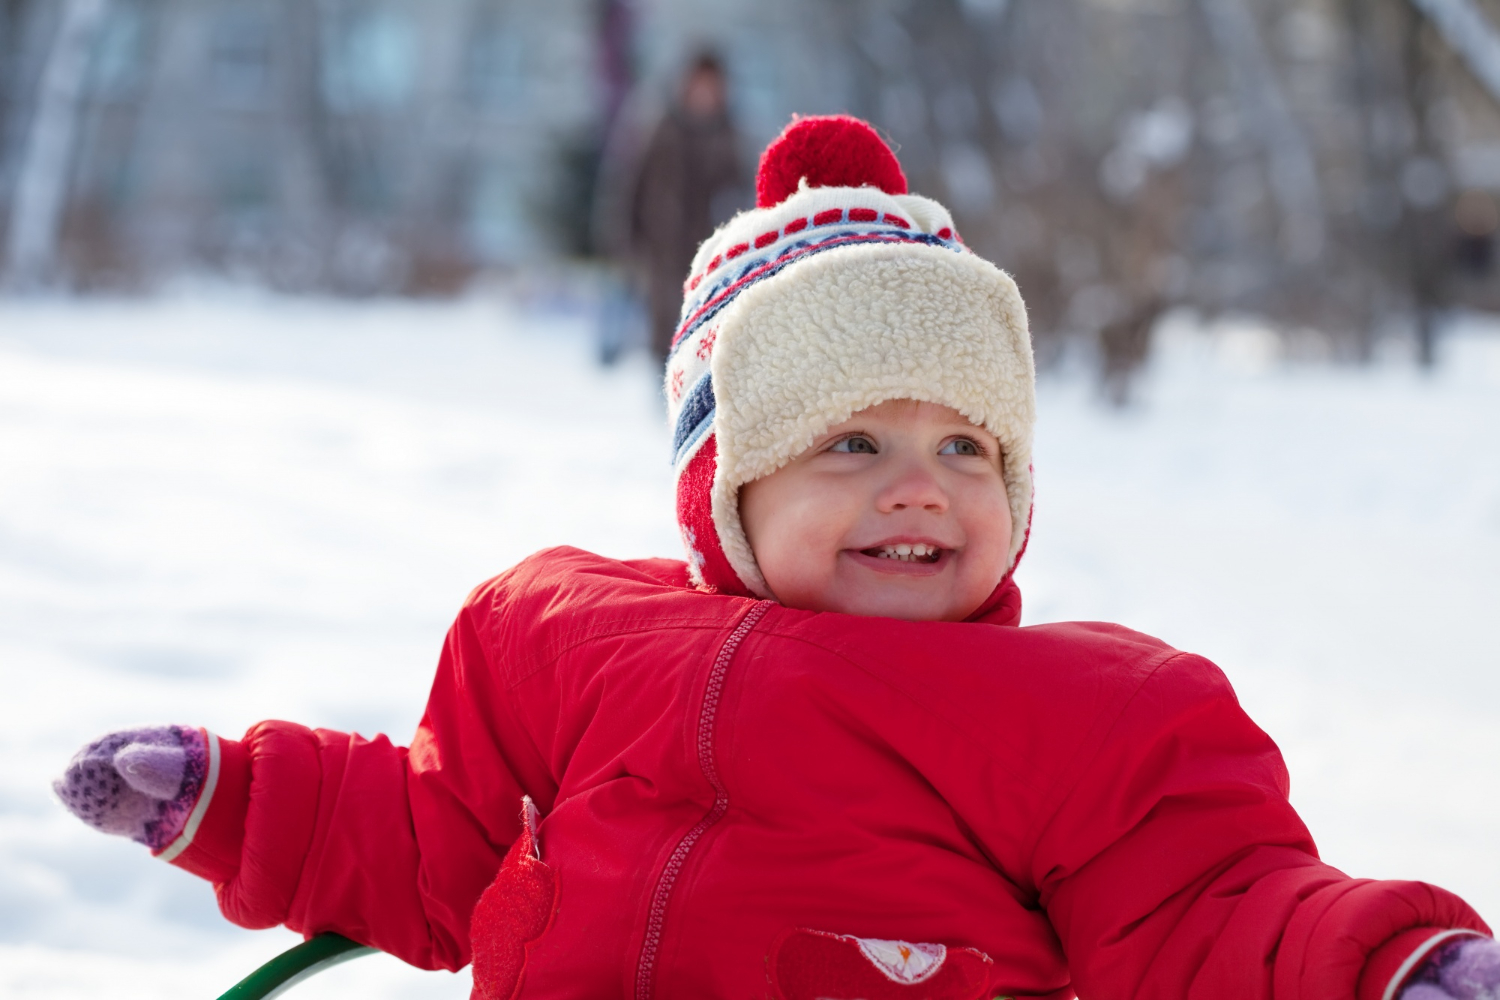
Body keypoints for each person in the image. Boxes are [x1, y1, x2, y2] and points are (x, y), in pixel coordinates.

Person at [54, 117, 1497, 1000]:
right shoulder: (560, 633)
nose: (919, 489)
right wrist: (238, 797)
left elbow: (1210, 912)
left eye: (967, 448)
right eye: (852, 446)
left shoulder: (1096, 717)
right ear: (721, 491)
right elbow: (440, 837)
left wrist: (1382, 961)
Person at [630, 51, 744, 364]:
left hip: (712, 264)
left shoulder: (731, 137)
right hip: (663, 257)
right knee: (664, 349)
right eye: (699, 85)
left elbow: (743, 195)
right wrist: (629, 245)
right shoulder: (663, 129)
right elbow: (633, 188)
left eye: (712, 86)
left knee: (705, 351)